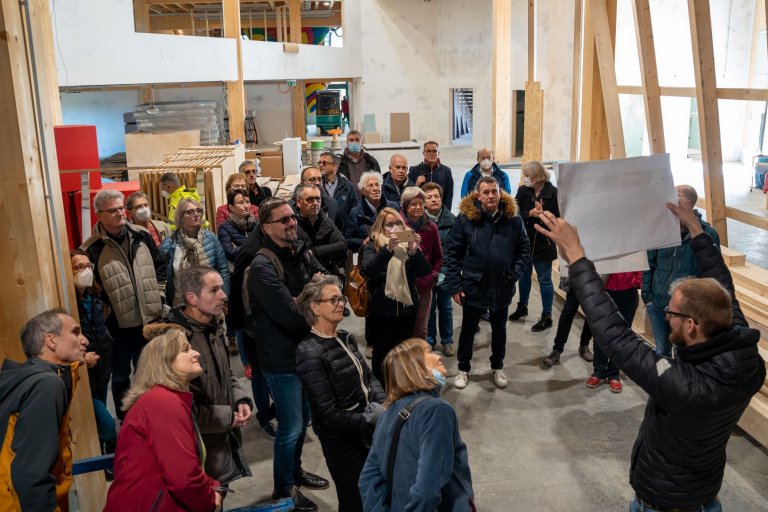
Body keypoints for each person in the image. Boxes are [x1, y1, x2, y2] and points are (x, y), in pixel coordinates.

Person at [534, 205, 765, 512]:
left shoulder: (685, 387)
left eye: (672, 311)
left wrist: (576, 255)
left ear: (692, 325)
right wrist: (696, 231)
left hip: (665, 503)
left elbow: (617, 336)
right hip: (703, 494)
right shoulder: (743, 351)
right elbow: (724, 286)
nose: (666, 316)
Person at [246, 198, 330, 512]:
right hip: (281, 361)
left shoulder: (301, 251)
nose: (291, 222)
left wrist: (306, 294)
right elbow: (292, 316)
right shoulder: (262, 266)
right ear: (267, 228)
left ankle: (294, 473)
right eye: (283, 220)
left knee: (304, 420)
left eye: (292, 217)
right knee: (292, 426)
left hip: (307, 354)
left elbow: (331, 281)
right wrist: (312, 293)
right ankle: (283, 490)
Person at [145, 266, 252, 487]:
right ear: (192, 298)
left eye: (222, 288)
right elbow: (180, 411)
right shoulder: (174, 343)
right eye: (214, 290)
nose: (223, 295)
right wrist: (226, 416)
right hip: (196, 452)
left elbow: (225, 372)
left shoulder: (213, 326)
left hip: (219, 440)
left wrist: (240, 398)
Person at [104, 330, 223, 512]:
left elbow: (183, 464)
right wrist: (208, 501)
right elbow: (183, 478)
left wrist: (211, 484)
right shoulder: (162, 403)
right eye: (185, 349)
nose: (196, 353)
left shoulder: (164, 400)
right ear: (164, 362)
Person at [295, 275, 386, 512]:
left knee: (376, 492)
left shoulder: (345, 337)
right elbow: (327, 414)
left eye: (341, 298)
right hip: (343, 444)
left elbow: (369, 377)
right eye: (333, 300)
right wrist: (370, 419)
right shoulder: (309, 353)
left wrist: (384, 404)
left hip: (368, 432)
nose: (341, 304)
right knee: (354, 500)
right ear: (314, 307)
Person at [359, 338, 475, 512]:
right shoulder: (437, 411)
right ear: (415, 367)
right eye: (428, 351)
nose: (437, 356)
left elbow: (368, 480)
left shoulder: (387, 414)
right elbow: (426, 490)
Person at [81, 189, 166, 418]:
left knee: (148, 372)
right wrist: (106, 315)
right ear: (99, 215)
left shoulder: (141, 235)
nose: (120, 213)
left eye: (121, 208)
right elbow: (92, 289)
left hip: (149, 319)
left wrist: (159, 296)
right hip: (117, 328)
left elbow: (159, 266)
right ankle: (125, 417)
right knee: (120, 377)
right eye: (113, 210)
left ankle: (150, 414)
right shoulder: (92, 248)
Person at [444, 177, 530, 390]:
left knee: (499, 328)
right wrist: (455, 285)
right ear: (478, 195)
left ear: (500, 193)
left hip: (503, 284)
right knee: (468, 329)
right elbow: (452, 253)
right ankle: (463, 368)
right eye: (486, 192)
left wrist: (514, 273)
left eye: (494, 191)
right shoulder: (466, 219)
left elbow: (524, 249)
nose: (491, 195)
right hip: (474, 285)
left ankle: (497, 366)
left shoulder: (513, 219)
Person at [0, 310, 88, 511]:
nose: (84, 340)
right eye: (75, 332)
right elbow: (31, 474)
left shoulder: (25, 380)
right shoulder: (46, 385)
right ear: (51, 340)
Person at [642, 185, 720, 357]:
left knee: (684, 353)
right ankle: (663, 383)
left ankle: (680, 383)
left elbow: (711, 275)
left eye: (676, 196)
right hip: (657, 303)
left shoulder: (707, 234)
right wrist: (647, 296)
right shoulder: (662, 229)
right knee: (661, 351)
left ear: (689, 203)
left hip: (686, 310)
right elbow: (649, 263)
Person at [362, 207, 431, 384]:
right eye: (389, 225)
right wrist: (387, 249)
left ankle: (401, 388)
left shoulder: (407, 246)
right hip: (382, 310)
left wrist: (414, 251)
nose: (394, 228)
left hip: (407, 310)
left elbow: (424, 271)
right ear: (381, 227)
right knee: (382, 354)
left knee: (403, 354)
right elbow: (368, 270)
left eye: (398, 223)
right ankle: (381, 392)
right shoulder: (373, 244)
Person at [70, 249, 116, 458]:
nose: (86, 270)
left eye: (88, 266)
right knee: (106, 424)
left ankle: (104, 459)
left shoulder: (95, 296)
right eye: (79, 267)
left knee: (98, 417)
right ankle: (110, 446)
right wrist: (81, 358)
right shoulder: (68, 302)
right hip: (82, 369)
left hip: (102, 366)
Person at [508, 161, 559, 332]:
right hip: (524, 242)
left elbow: (559, 220)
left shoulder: (553, 193)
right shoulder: (523, 191)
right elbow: (513, 213)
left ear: (537, 176)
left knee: (544, 280)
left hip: (544, 244)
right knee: (523, 276)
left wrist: (544, 214)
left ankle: (547, 315)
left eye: (527, 175)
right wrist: (529, 213)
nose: (525, 178)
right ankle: (523, 306)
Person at [159, 197, 230, 306]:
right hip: (180, 303)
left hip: (210, 301)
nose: (196, 214)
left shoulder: (211, 238)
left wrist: (224, 299)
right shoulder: (169, 245)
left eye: (198, 211)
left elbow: (223, 270)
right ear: (180, 217)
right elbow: (163, 278)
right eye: (190, 212)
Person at [218, 188, 258, 361]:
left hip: (257, 274)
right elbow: (230, 252)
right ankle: (246, 361)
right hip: (237, 277)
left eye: (247, 202)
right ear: (231, 207)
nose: (245, 206)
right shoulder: (225, 228)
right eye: (240, 202)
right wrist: (253, 247)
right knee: (242, 320)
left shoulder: (255, 223)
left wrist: (240, 247)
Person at [400, 187, 442, 340]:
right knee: (403, 326)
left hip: (424, 285)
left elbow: (438, 256)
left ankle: (418, 361)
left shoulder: (431, 227)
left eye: (420, 203)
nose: (418, 207)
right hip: (402, 285)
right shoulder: (397, 226)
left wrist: (433, 275)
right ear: (405, 206)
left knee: (421, 327)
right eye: (413, 204)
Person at [423, 183, 457, 356]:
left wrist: (445, 270)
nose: (433, 199)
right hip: (425, 274)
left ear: (441, 198)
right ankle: (429, 340)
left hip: (445, 273)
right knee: (428, 307)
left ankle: (447, 340)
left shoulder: (452, 220)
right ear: (423, 201)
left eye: (436, 196)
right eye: (429, 197)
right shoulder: (418, 221)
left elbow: (455, 249)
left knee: (445, 307)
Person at [295, 184, 347, 278]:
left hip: (327, 271)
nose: (315, 203)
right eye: (310, 199)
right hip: (304, 276)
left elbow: (342, 245)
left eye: (318, 199)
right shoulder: (292, 224)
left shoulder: (325, 220)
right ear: (299, 202)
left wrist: (314, 251)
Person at [540, 279, 594, 369]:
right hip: (577, 277)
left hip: (595, 280)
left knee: (591, 314)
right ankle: (557, 350)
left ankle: (584, 345)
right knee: (567, 313)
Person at [343, 172, 400, 252]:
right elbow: (347, 239)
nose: (375, 188)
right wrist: (362, 242)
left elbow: (404, 230)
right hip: (369, 254)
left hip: (394, 251)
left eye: (377, 185)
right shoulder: (355, 213)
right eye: (370, 186)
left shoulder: (394, 207)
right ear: (363, 190)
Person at [408, 141, 454, 209]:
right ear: (423, 153)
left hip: (440, 211)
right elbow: (407, 193)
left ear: (438, 153)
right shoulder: (414, 171)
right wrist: (416, 185)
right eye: (428, 151)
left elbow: (449, 194)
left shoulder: (446, 171)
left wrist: (446, 212)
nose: (432, 154)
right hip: (421, 211)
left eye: (434, 151)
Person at [319, 151, 358, 230]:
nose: (320, 165)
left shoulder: (347, 186)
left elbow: (353, 211)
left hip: (341, 231)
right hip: (320, 230)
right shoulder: (317, 185)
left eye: (324, 163)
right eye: (319, 162)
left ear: (334, 166)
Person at [337, 130, 381, 197]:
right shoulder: (340, 163)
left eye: (357, 140)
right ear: (347, 143)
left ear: (361, 142)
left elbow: (379, 182)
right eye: (351, 140)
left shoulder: (371, 162)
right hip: (348, 200)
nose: (354, 142)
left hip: (367, 199)